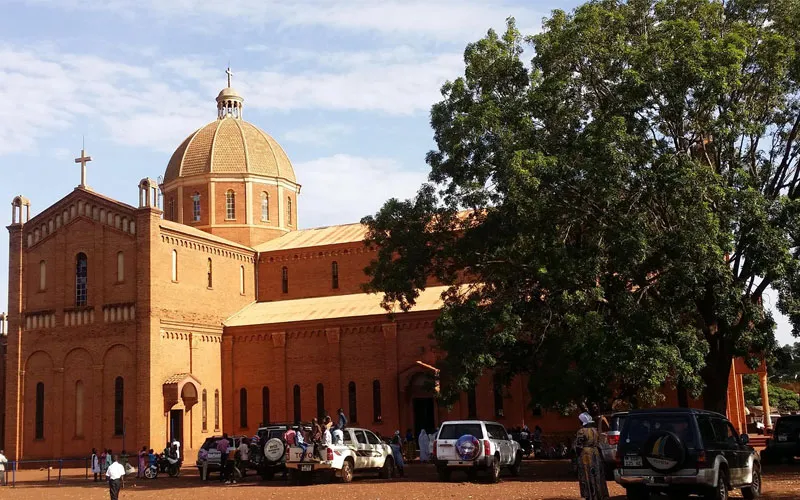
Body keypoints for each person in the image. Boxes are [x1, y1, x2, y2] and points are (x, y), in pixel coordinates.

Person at [574, 412, 609, 500]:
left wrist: (577, 456)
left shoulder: (581, 431)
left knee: (587, 475)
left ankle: (590, 496)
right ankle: (600, 495)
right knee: (596, 474)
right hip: (596, 454)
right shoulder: (595, 430)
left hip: (586, 456)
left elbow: (578, 446)